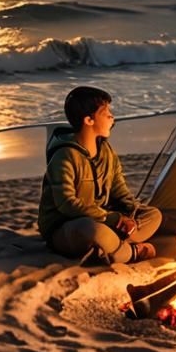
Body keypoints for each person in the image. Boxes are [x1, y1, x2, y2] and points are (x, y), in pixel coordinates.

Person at [38, 86, 161, 265]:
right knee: (93, 230)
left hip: (104, 218)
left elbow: (120, 191)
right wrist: (113, 219)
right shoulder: (64, 155)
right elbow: (68, 204)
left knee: (153, 214)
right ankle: (129, 252)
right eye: (106, 113)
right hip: (68, 226)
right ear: (89, 120)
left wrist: (131, 212)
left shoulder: (106, 152)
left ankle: (112, 245)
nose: (112, 117)